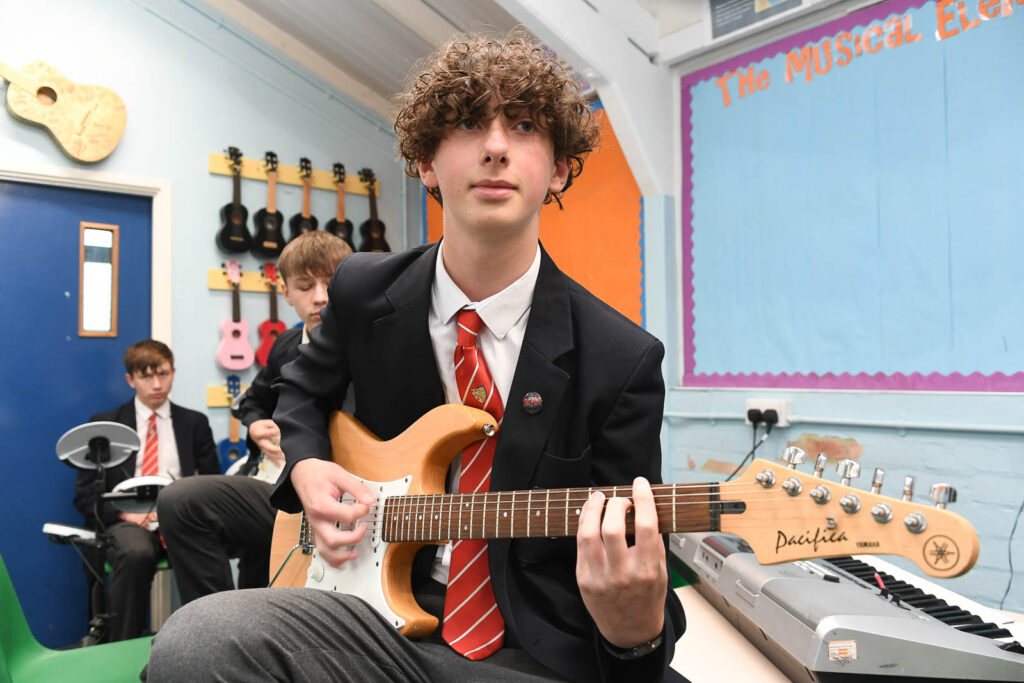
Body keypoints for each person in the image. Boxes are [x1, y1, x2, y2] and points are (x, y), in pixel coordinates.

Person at [148, 31, 685, 682]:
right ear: (426, 162)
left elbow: (636, 581)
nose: (495, 146)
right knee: (193, 614)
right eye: (467, 123)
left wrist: (636, 630)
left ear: (561, 168)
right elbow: (302, 393)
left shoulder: (621, 357)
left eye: (522, 126)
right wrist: (310, 463)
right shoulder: (362, 288)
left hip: (520, 639)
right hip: (364, 601)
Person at [157, 231, 352, 605]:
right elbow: (253, 400)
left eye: (330, 283)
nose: (320, 296)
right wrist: (255, 423)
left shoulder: (367, 349)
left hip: (331, 494)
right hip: (273, 483)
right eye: (305, 286)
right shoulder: (284, 346)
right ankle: (210, 624)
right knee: (180, 501)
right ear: (287, 294)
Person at [74, 339, 218, 642]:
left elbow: (212, 485)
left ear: (174, 372)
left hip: (179, 516)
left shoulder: (195, 424)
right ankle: (122, 646)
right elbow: (86, 497)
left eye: (163, 374)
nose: (157, 384)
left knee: (208, 551)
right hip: (127, 521)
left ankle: (211, 643)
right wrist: (126, 513)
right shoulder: (105, 425)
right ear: (131, 379)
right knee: (136, 552)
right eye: (147, 376)